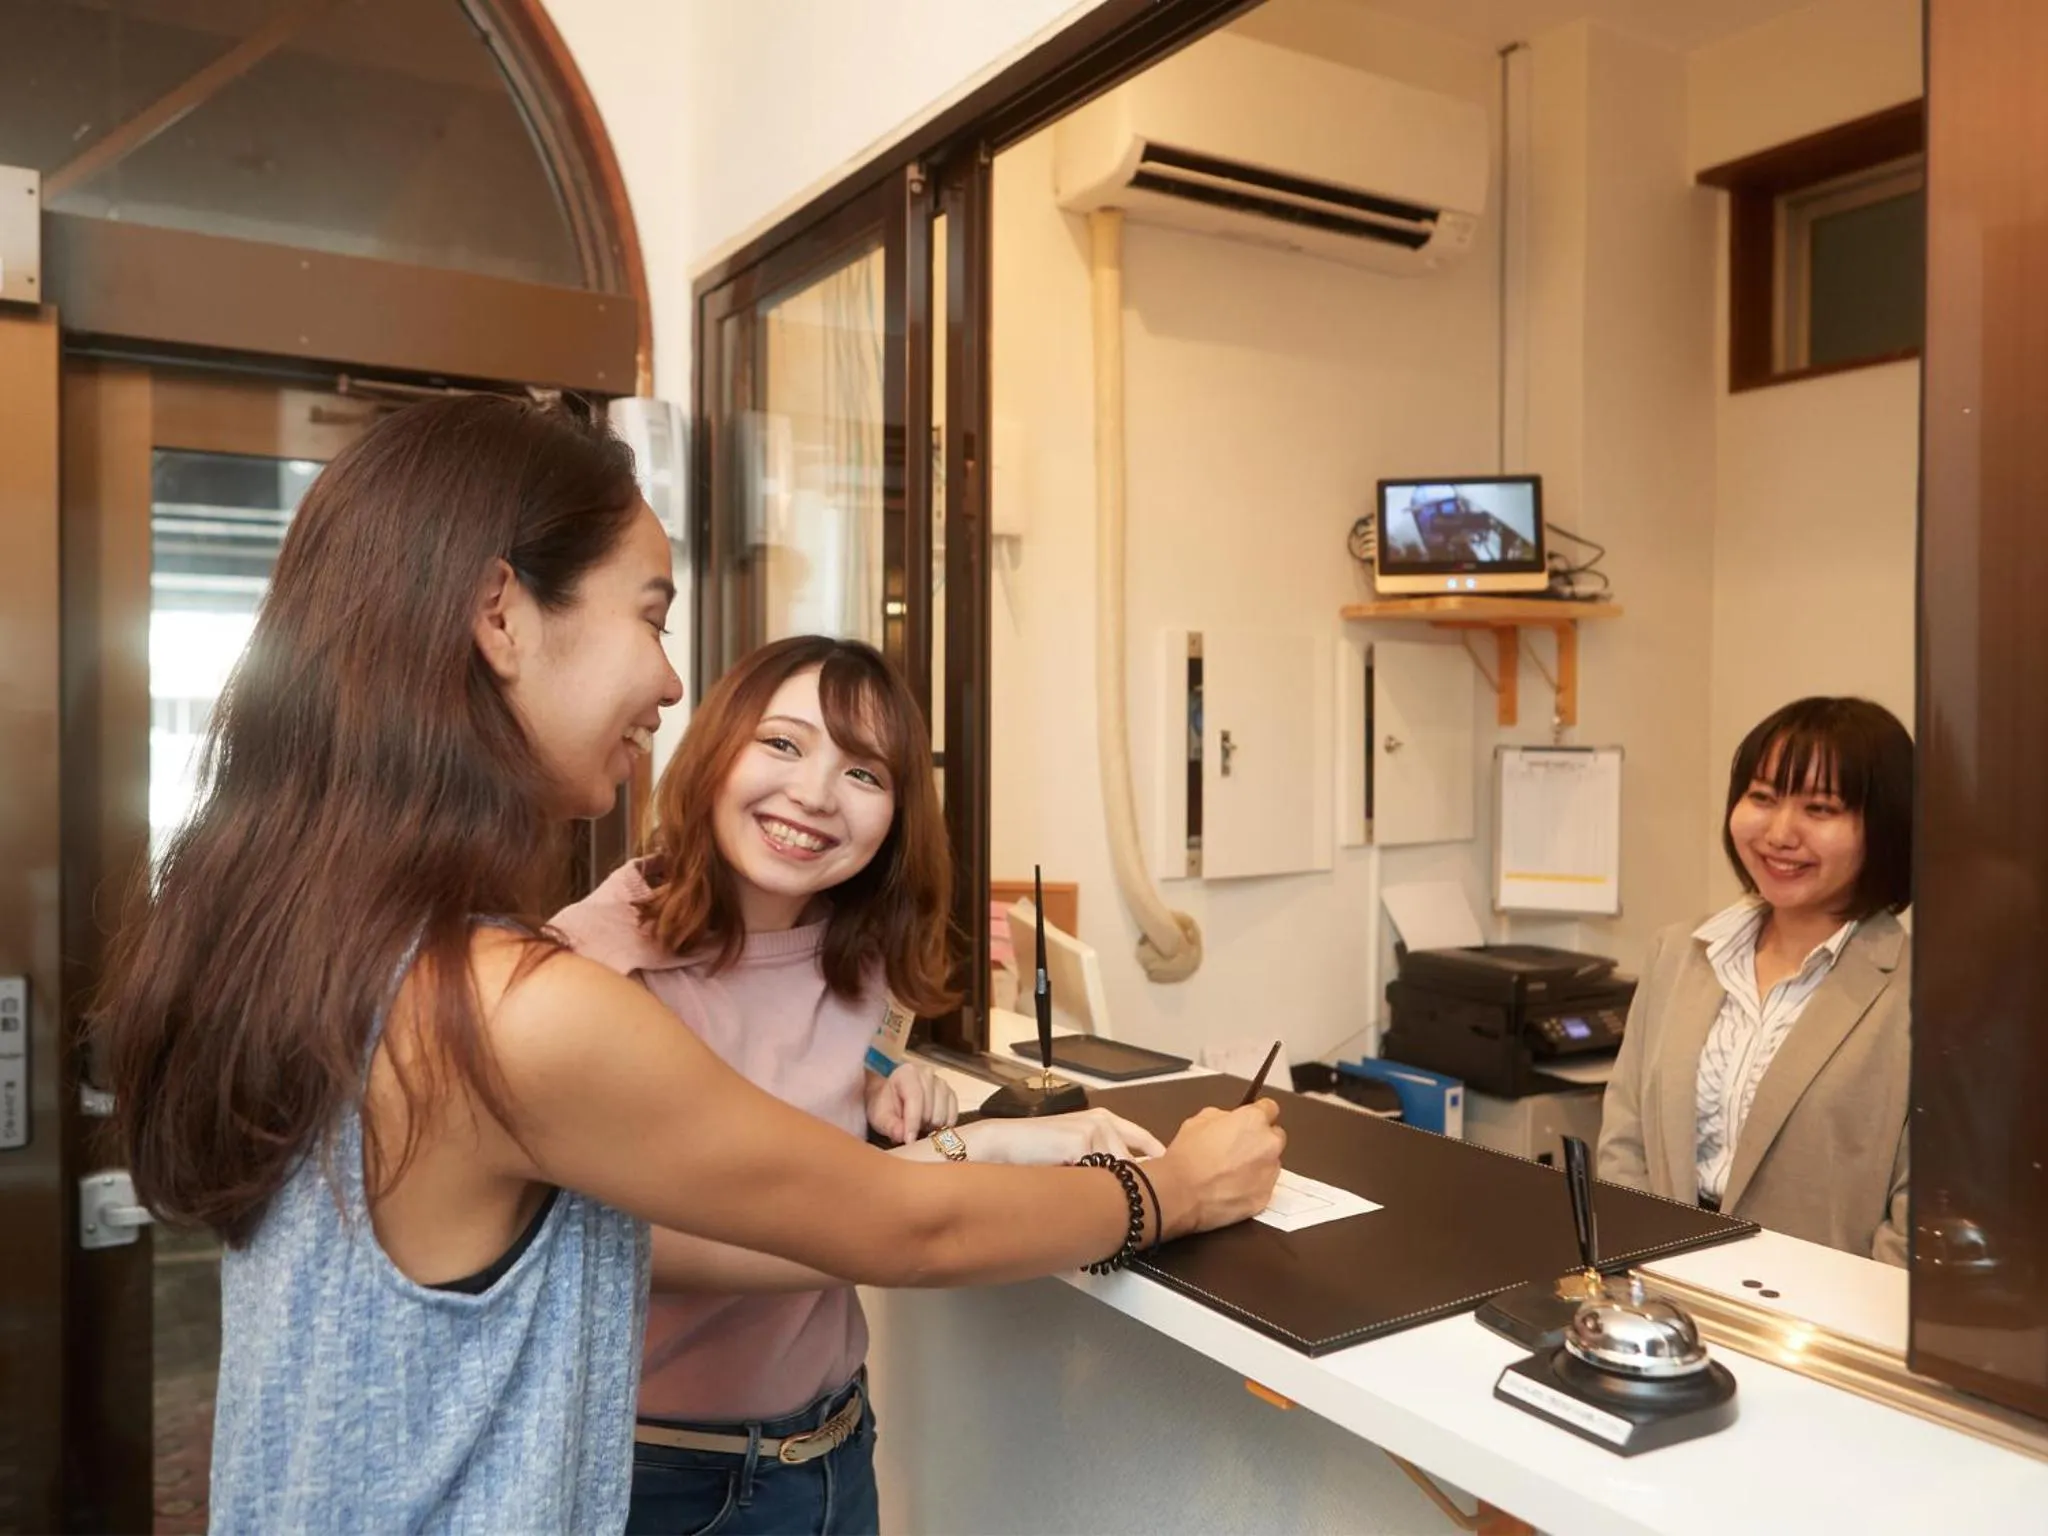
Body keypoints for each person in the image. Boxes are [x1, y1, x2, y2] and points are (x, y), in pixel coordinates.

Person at [90, 396, 1285, 1534]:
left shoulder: (322, 950)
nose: (668, 680)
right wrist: (1171, 1193)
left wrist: (971, 1143)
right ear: (500, 616)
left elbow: (713, 1228)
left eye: (865, 772)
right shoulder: (518, 1006)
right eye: (652, 616)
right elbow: (889, 1229)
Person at [550, 633, 1163, 1535]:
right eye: (784, 745)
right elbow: (662, 1240)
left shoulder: (860, 953)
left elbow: (859, 1060)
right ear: (715, 750)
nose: (813, 796)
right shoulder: (596, 970)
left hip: (837, 1444)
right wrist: (979, 1146)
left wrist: (888, 1088)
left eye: (865, 774)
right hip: (665, 1472)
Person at [1598, 697, 1913, 1265]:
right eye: (1762, 798)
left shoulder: (1930, 999)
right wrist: (1635, 1270)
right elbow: (1626, 1138)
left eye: (1819, 809)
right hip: (1659, 1285)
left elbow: (1922, 1218)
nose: (1779, 833)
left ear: (1884, 828)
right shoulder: (1680, 952)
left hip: (1821, 1322)